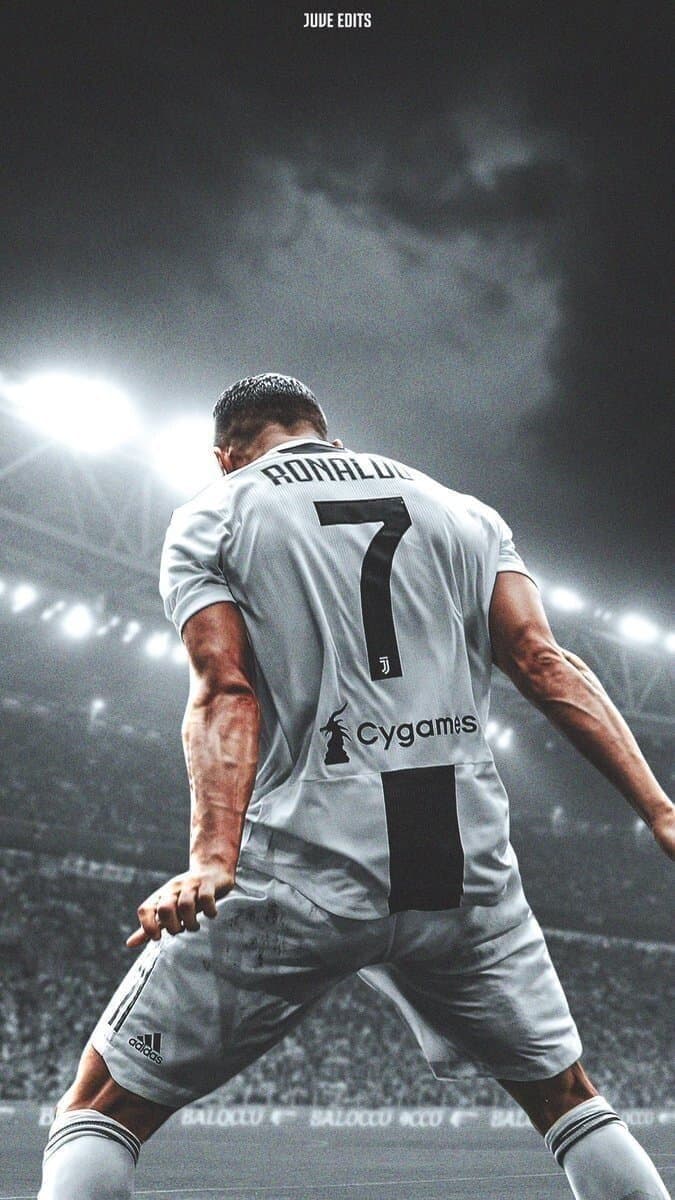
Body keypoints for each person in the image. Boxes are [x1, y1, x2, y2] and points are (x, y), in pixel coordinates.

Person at [39, 373, 674, 1200]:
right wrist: (660, 810)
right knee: (569, 1101)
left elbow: (225, 688)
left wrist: (212, 859)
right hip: (457, 867)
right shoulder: (463, 512)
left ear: (224, 454)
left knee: (98, 1111)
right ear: (323, 430)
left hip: (307, 856)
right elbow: (543, 663)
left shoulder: (216, 512)